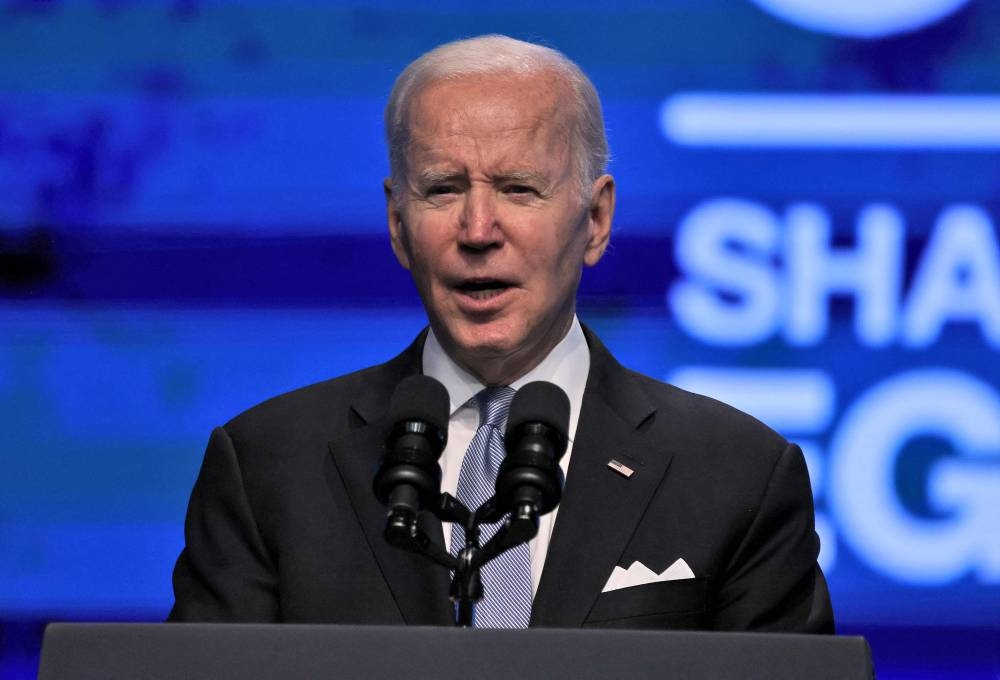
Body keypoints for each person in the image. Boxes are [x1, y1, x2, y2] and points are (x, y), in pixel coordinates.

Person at [168, 34, 833, 632]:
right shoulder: (268, 466)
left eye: (518, 188)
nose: (479, 231)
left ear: (597, 219)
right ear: (399, 225)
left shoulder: (738, 475)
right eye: (442, 189)